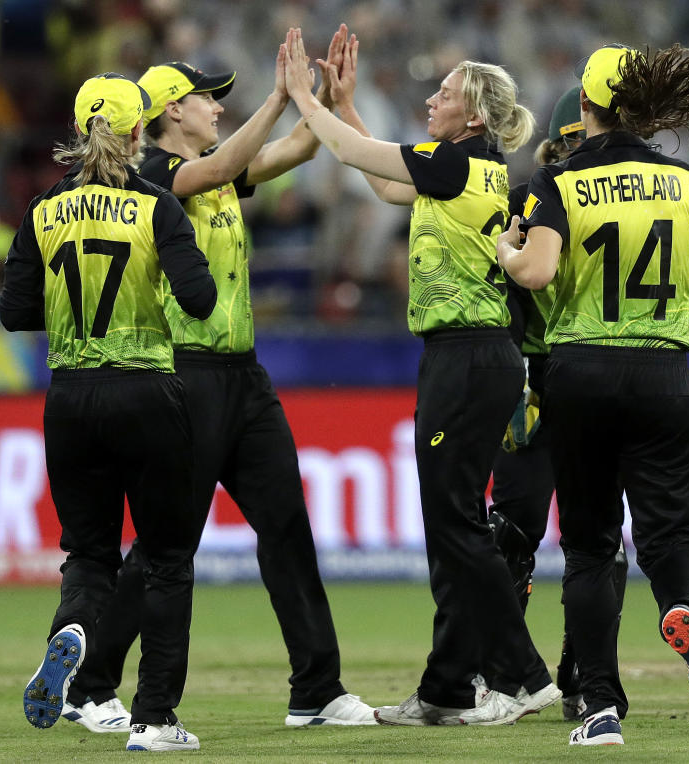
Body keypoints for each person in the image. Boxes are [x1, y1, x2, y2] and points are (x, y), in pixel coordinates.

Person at [60, 27, 376, 731]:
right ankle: (89, 686)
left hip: (244, 378)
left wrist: (320, 101)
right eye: (208, 98)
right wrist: (278, 96)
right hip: (184, 377)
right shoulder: (148, 180)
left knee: (287, 526)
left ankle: (316, 689)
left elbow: (294, 149)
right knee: (166, 548)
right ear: (172, 110)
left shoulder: (218, 164)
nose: (217, 108)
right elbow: (219, 166)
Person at [282, 27, 559, 726]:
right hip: (476, 356)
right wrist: (343, 103)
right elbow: (381, 181)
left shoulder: (455, 164)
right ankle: (445, 689)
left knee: (456, 524)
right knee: (452, 525)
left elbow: (349, 156)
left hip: (466, 357)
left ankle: (522, 677)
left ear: (473, 117)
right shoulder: (473, 169)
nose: (431, 99)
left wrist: (302, 100)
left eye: (445, 93)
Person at [497, 44, 689, 746]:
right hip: (664, 372)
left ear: (589, 107)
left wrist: (509, 251)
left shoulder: (558, 181)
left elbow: (536, 274)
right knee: (669, 533)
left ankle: (599, 707)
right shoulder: (681, 181)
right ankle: (684, 607)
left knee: (592, 545)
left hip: (582, 372)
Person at [0, 72, 217, 752]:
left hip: (70, 401)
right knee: (165, 559)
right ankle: (155, 716)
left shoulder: (42, 208)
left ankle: (73, 630)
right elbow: (201, 298)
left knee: (89, 554)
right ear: (136, 133)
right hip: (147, 393)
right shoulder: (155, 206)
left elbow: (14, 312)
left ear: (77, 128)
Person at [489, 85, 628, 723]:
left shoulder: (537, 195)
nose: (575, 150)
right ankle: (550, 676)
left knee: (537, 534)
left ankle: (548, 678)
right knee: (584, 539)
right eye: (567, 142)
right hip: (574, 374)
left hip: (555, 375)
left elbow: (511, 283)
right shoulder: (588, 193)